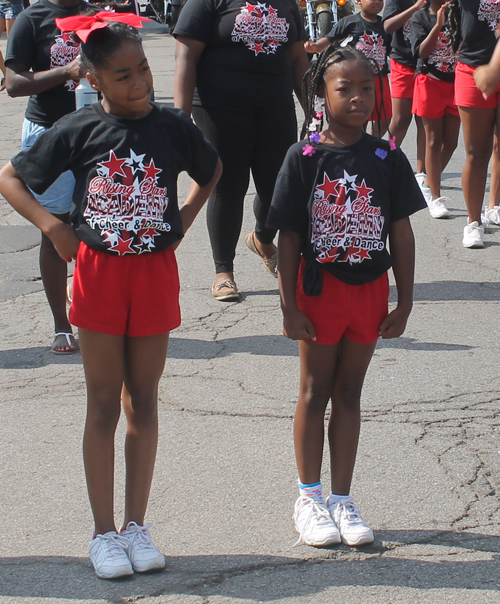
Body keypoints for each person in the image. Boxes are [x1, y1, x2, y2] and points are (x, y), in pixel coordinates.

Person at [0, 15, 221, 578]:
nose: (140, 82)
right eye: (123, 75)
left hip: (153, 274)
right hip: (98, 273)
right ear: (94, 79)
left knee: (143, 400)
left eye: (144, 69)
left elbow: (212, 167)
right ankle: (103, 534)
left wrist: (185, 219)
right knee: (103, 402)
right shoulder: (79, 126)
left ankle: (137, 526)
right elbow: (10, 177)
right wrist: (55, 228)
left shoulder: (172, 125)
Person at [267, 44, 426, 547]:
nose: (358, 97)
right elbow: (288, 236)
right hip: (318, 293)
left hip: (369, 292)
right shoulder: (304, 156)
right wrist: (288, 306)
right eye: (345, 89)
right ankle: (309, 498)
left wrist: (405, 300)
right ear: (320, 93)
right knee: (315, 390)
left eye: (366, 88)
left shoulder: (386, 156)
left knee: (350, 393)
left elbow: (400, 233)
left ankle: (342, 498)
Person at [173, 0, 310, 302]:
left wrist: (315, 111)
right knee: (229, 186)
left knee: (279, 186)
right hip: (219, 107)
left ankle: (262, 239)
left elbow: (298, 57)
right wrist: (179, 120)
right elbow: (186, 55)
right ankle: (224, 272)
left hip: (276, 106)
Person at [4, 0, 97, 353]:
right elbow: (13, 83)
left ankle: (95, 313)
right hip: (48, 131)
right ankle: (62, 324)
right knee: (56, 226)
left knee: (98, 223)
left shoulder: (96, 17)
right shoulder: (31, 19)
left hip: (96, 128)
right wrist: (66, 72)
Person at [449, 0, 500, 246]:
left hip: (493, 68)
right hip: (473, 68)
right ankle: (473, 221)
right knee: (477, 152)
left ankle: (494, 206)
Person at [304, 0, 392, 137]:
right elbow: (329, 40)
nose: (377, 2)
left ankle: (372, 141)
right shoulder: (349, 22)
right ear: (359, 2)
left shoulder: (385, 25)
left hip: (379, 78)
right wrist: (315, 46)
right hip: (355, 80)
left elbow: (394, 49)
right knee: (358, 115)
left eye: (380, 0)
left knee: (385, 118)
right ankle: (357, 140)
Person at [411, 0, 460, 218]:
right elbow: (421, 52)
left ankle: (429, 183)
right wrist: (438, 25)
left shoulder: (458, 14)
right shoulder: (420, 17)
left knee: (451, 142)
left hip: (456, 84)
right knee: (432, 139)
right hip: (429, 82)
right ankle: (436, 198)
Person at [382, 0, 427, 177]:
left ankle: (421, 173)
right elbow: (388, 26)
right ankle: (387, 158)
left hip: (427, 65)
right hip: (403, 62)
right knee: (401, 119)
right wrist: (415, 8)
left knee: (424, 121)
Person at [0, 0, 23, 90]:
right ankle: (7, 75)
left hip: (13, 5)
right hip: (1, 4)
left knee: (12, 43)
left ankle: (14, 76)